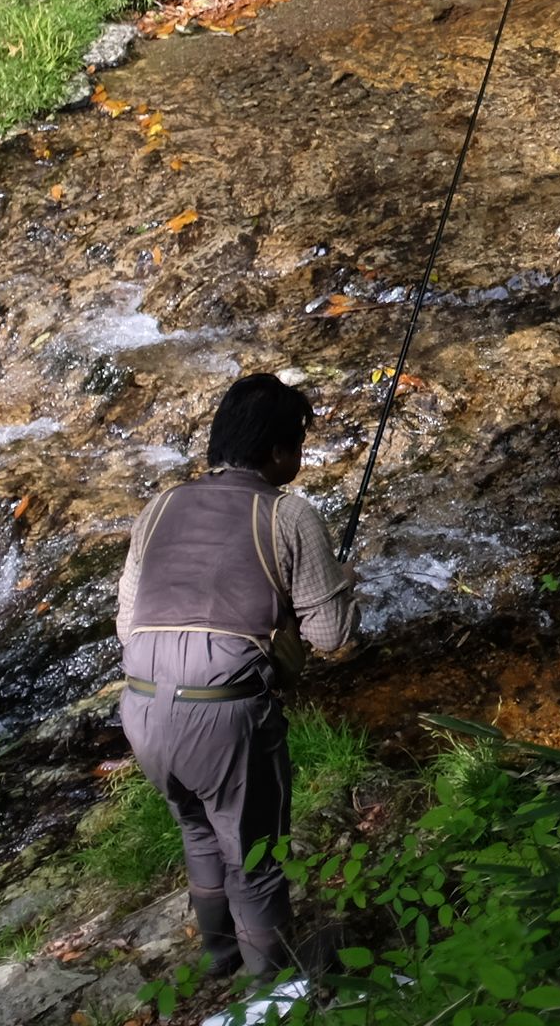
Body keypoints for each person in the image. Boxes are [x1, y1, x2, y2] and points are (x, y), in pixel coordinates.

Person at [116, 373, 358, 980]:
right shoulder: (289, 513)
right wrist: (344, 585)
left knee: (199, 833)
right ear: (278, 451)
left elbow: (127, 623)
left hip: (141, 704)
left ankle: (219, 958)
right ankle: (271, 986)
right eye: (297, 442)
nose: (298, 455)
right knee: (256, 858)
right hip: (223, 711)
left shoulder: (160, 506)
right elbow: (332, 639)